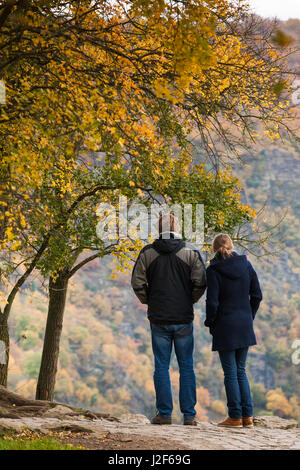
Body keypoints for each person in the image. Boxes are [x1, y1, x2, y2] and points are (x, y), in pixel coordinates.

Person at [131, 213, 207, 425]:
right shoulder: (190, 252)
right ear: (178, 227)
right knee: (186, 366)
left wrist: (149, 301)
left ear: (159, 228)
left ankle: (164, 413)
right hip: (183, 317)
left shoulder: (147, 253)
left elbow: (137, 282)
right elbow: (201, 282)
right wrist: (189, 300)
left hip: (158, 317)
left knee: (161, 366)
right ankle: (189, 415)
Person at [205, 233, 262, 428]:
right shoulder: (246, 264)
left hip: (225, 325)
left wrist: (211, 322)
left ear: (215, 249)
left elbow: (212, 301)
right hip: (244, 323)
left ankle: (235, 417)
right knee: (241, 371)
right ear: (231, 245)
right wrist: (249, 315)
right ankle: (248, 417)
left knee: (230, 372)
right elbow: (257, 295)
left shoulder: (213, 269)